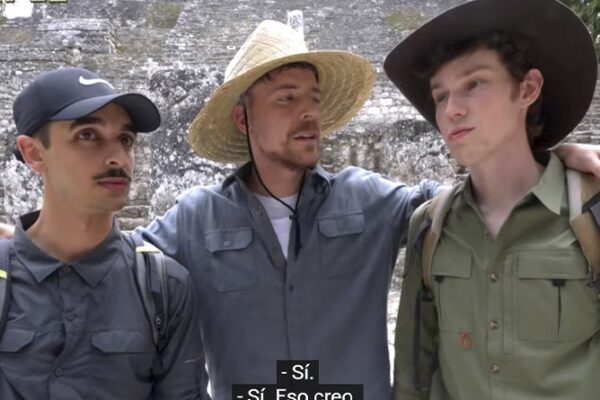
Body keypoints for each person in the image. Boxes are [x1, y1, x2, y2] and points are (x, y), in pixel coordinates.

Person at [139, 18, 600, 400]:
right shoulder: (196, 219)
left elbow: (476, 197)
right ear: (243, 119)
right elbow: (117, 263)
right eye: (287, 98)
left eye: (314, 99)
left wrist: (550, 158)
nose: (308, 112)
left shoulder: (368, 199)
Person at [385, 0, 600, 398]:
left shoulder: (591, 212)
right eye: (440, 96)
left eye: (474, 84)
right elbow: (414, 375)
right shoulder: (430, 227)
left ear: (527, 89)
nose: (451, 110)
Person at [1, 67, 210, 399]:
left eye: (125, 140)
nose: (118, 158)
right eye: (88, 135)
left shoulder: (164, 289)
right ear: (34, 153)